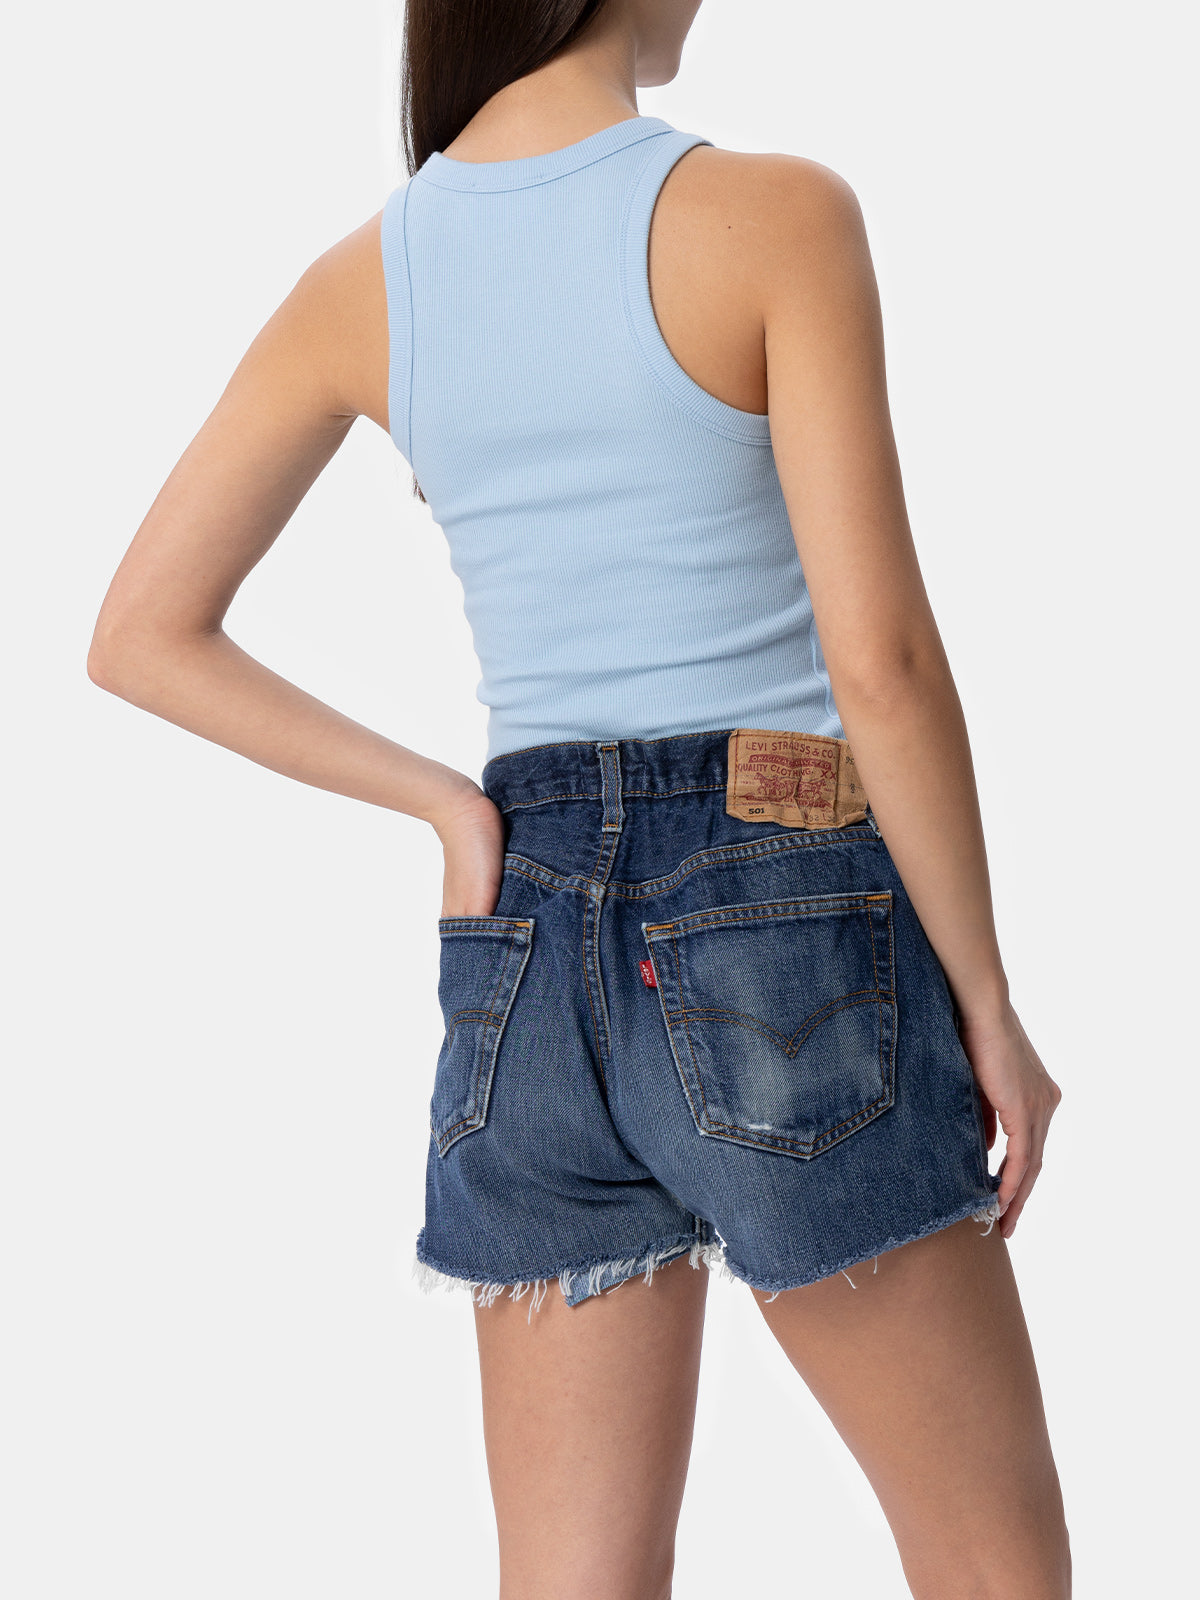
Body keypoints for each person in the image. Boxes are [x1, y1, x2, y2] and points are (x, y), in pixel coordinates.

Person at [87, 1, 1070, 1594]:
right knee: (991, 1560)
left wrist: (454, 810)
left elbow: (141, 633)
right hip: (781, 911)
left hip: (524, 952)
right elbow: (879, 664)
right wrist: (989, 1001)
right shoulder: (775, 214)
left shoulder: (367, 279)